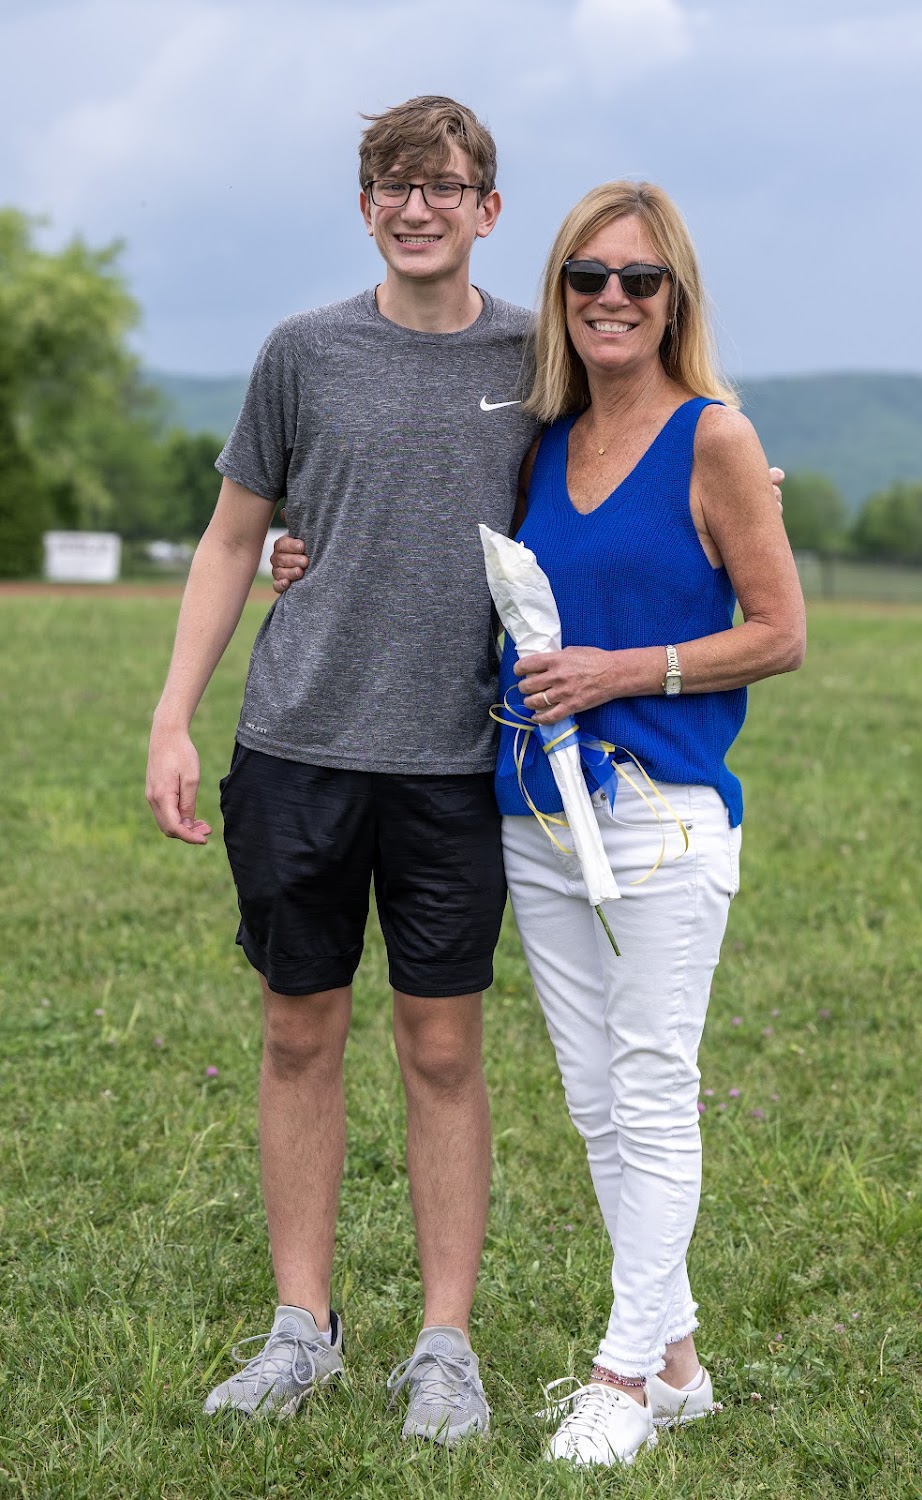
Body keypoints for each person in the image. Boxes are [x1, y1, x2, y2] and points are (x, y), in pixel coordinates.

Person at [276, 177, 804, 1468]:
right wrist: (305, 553)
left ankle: (620, 1378)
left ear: (675, 299)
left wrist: (627, 672)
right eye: (588, 277)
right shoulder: (544, 439)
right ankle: (678, 1365)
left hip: (663, 816)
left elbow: (781, 632)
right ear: (560, 292)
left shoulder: (716, 438)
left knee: (654, 1088)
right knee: (594, 1100)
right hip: (536, 812)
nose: (612, 298)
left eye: (639, 279)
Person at [145, 95, 541, 1443]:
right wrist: (173, 718)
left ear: (488, 208)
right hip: (298, 747)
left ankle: (445, 1347)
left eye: (444, 185)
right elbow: (230, 539)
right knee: (297, 1030)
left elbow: (627, 471)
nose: (417, 207)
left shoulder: (539, 358)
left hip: (458, 762)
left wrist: (737, 484)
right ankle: (300, 1329)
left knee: (444, 1047)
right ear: (365, 206)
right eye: (393, 185)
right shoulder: (301, 353)